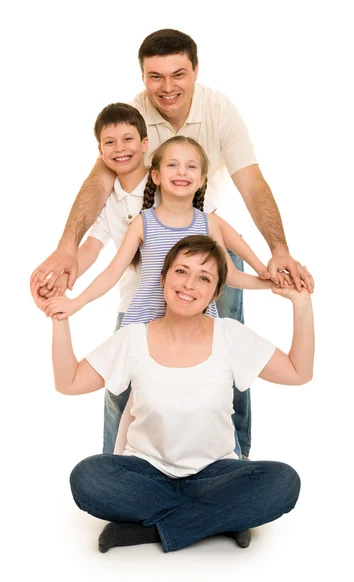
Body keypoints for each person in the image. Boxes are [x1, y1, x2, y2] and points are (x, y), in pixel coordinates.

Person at [31, 28, 314, 458]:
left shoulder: (219, 113)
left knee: (229, 363)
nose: (167, 87)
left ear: (195, 71)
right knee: (123, 379)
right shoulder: (134, 137)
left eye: (178, 74)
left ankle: (234, 463)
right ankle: (120, 468)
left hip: (207, 256)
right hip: (147, 289)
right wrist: (68, 252)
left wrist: (271, 260)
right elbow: (101, 183)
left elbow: (248, 192)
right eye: (155, 77)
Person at [31, 235, 314, 553]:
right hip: (146, 473)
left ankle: (150, 529)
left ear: (215, 292)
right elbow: (68, 382)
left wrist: (301, 304)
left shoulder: (230, 334)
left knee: (283, 482)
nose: (189, 284)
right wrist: (60, 319)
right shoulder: (133, 338)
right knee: (88, 477)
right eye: (181, 271)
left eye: (204, 277)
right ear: (163, 277)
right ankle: (220, 520)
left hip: (215, 473)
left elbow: (298, 372)